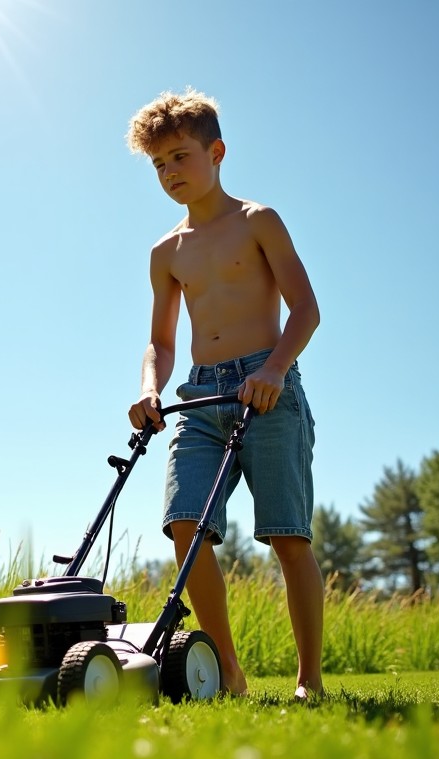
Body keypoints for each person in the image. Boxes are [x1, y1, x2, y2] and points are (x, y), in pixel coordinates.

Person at [125, 88, 323, 701]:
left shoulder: (257, 220)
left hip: (267, 388)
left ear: (217, 152)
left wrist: (272, 371)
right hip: (200, 397)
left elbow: (306, 311)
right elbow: (160, 340)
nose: (169, 173)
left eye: (180, 157)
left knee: (287, 536)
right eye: (159, 165)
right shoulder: (166, 253)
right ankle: (229, 674)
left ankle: (308, 681)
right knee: (185, 525)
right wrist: (149, 388)